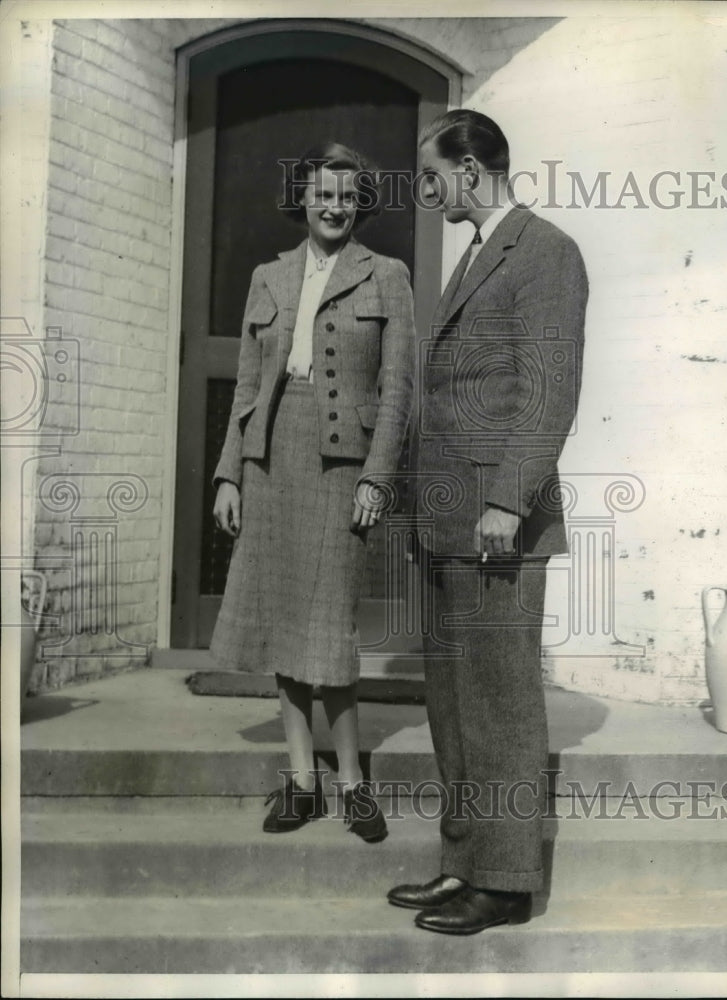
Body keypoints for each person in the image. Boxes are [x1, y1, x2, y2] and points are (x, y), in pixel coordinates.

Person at [387, 110, 587, 932]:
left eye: (433, 178)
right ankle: (462, 863)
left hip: (495, 521)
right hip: (446, 518)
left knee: (498, 704)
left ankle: (503, 884)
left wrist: (508, 499)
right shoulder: (473, 253)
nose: (428, 193)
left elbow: (548, 389)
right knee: (453, 703)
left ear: (469, 170)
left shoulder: (544, 252)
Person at [211, 142, 415, 843]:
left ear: (361, 204)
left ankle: (353, 784)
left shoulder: (386, 274)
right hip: (270, 460)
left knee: (328, 628)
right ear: (301, 197)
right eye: (323, 194)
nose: (334, 206)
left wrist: (376, 476)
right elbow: (245, 386)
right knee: (281, 622)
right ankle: (302, 782)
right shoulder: (267, 276)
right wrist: (229, 473)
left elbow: (398, 389)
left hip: (341, 466)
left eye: (347, 196)